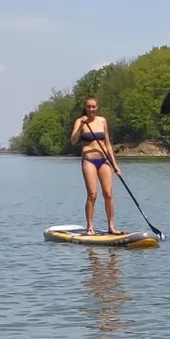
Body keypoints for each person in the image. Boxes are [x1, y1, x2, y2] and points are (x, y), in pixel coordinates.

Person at [69, 96, 122, 235]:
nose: (91, 110)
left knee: (108, 194)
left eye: (93, 107)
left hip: (103, 160)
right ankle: (90, 227)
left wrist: (115, 164)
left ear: (97, 107)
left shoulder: (102, 121)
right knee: (92, 194)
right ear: (85, 107)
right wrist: (81, 126)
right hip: (89, 160)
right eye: (88, 107)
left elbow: (108, 144)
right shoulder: (80, 121)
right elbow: (73, 141)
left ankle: (111, 226)